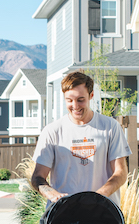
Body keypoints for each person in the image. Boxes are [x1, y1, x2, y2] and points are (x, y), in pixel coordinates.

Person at [31, 71, 131, 207]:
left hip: (102, 212)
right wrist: (52, 194)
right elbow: (38, 177)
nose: (75, 106)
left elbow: (120, 173)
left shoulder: (110, 127)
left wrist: (98, 196)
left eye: (80, 100)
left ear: (91, 96)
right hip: (63, 214)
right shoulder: (52, 131)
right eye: (69, 100)